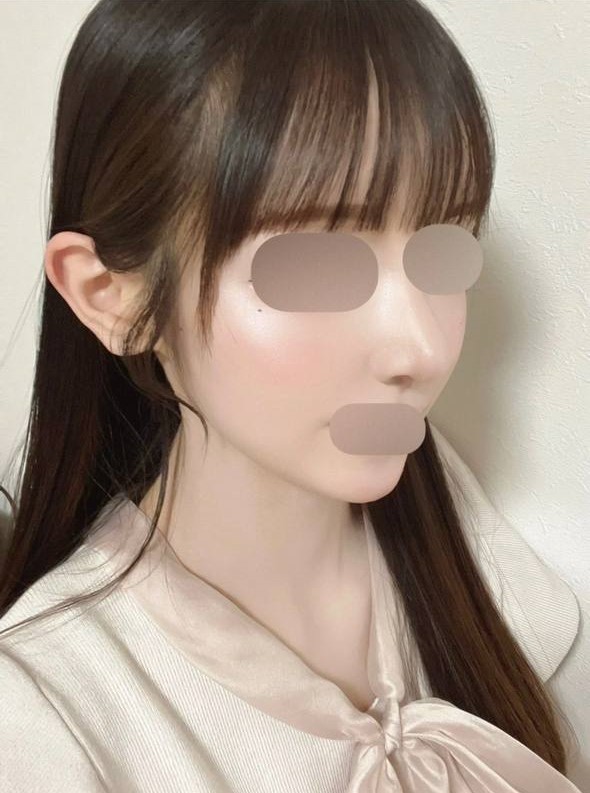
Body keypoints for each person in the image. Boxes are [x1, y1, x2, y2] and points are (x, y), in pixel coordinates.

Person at [0, 1, 583, 790]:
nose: (418, 350)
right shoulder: (45, 717)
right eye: (316, 266)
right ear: (113, 296)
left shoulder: (451, 517)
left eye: (444, 253)